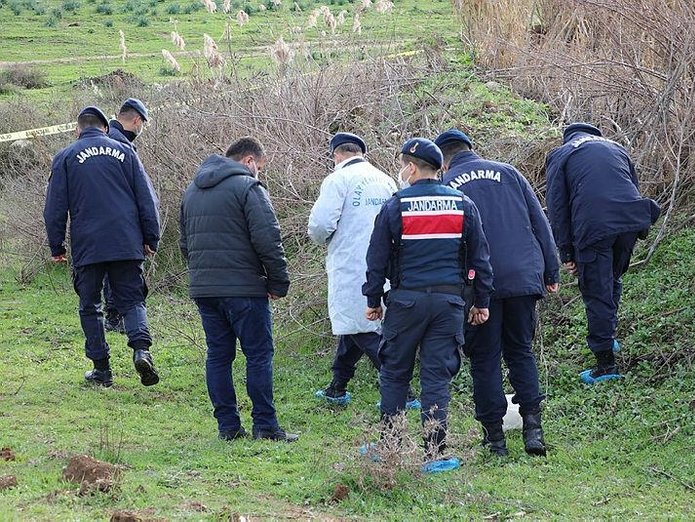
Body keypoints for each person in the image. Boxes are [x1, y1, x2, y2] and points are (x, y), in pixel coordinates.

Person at [363, 138, 493, 468]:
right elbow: (480, 257)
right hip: (449, 304)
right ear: (440, 170)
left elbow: (376, 257)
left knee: (395, 374)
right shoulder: (463, 204)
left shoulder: (396, 205)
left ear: (411, 167)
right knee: (436, 378)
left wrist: (373, 298)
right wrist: (481, 301)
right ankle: (434, 455)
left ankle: (389, 447)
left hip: (406, 302)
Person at [436, 128, 560, 457]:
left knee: (485, 359)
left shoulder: (446, 187)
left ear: (443, 162)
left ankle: (495, 439)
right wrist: (551, 269)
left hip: (478, 287)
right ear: (471, 149)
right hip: (523, 277)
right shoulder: (509, 172)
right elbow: (539, 222)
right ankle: (533, 429)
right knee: (521, 351)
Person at [179, 136, 297, 442]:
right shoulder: (248, 188)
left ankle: (228, 427)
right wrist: (278, 282)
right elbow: (268, 239)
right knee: (258, 355)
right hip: (245, 289)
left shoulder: (191, 191)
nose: (259, 172)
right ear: (249, 161)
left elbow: (185, 245)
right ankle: (266, 426)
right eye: (260, 166)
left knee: (218, 355)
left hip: (205, 289)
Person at [44, 106, 161, 388]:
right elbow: (147, 198)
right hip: (126, 242)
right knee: (132, 300)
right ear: (105, 128)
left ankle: (102, 371)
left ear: (77, 130)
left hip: (88, 246)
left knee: (90, 305)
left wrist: (56, 245)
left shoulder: (66, 157)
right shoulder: (125, 152)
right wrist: (150, 237)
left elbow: (54, 207)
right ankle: (141, 351)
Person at [308, 132, 421, 408]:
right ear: (362, 153)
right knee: (356, 323)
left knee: (363, 329)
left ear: (336, 155)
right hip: (384, 264)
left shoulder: (337, 180)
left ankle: (403, 392)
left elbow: (320, 225)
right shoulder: (384, 179)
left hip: (351, 263)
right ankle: (337, 387)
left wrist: (325, 240)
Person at [545, 123, 660, 384]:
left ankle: (605, 365)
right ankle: (609, 336)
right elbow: (633, 186)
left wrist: (567, 253)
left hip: (594, 226)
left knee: (596, 290)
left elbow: (557, 207)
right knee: (612, 277)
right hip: (631, 218)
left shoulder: (561, 154)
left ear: (568, 138)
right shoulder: (616, 148)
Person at [103, 98, 151, 333]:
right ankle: (117, 316)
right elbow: (141, 193)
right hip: (119, 221)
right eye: (143, 123)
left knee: (112, 270)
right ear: (137, 119)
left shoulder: (108, 138)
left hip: (103, 221)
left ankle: (115, 315)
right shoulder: (119, 144)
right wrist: (149, 232)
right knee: (123, 273)